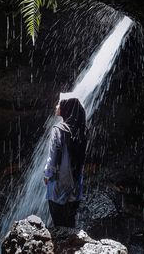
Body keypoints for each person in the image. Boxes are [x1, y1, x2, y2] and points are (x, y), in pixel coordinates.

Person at [44, 96, 87, 227]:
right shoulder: (83, 130)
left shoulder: (58, 130)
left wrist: (47, 175)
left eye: (59, 104)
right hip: (75, 186)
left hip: (58, 187)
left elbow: (53, 157)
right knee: (70, 224)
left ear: (66, 108)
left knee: (58, 225)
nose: (56, 106)